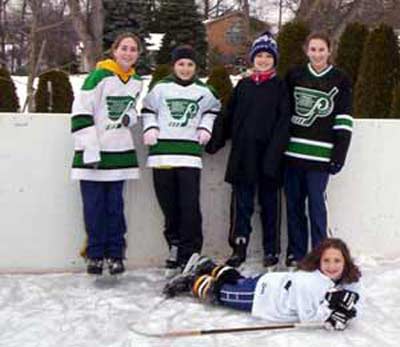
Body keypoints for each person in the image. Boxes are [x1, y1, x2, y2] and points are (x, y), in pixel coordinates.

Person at [211, 32, 290, 269]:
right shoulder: (243, 86)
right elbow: (228, 116)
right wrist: (214, 140)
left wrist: (275, 154)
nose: (263, 60)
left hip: (269, 158)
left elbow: (284, 122)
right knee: (241, 205)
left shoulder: (280, 87)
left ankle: (271, 250)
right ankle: (239, 246)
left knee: (270, 206)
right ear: (252, 58)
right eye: (260, 55)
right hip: (243, 156)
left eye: (268, 56)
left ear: (274, 60)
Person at [141, 45, 221, 277]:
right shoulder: (161, 88)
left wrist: (206, 127)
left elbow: (214, 109)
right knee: (169, 205)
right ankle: (175, 247)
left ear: (196, 67)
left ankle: (191, 253)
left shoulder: (204, 91)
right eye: (181, 64)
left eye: (190, 64)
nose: (185, 69)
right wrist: (151, 127)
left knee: (190, 207)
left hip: (188, 157)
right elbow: (147, 109)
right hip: (162, 155)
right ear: (173, 65)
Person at [163, 238, 361, 331]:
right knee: (221, 293)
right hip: (261, 296)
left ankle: (209, 266)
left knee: (237, 280)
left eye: (337, 261)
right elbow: (308, 318)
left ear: (346, 262)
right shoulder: (311, 283)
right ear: (318, 261)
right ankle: (192, 281)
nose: (332, 266)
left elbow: (346, 296)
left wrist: (343, 307)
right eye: (327, 261)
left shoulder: (331, 279)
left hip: (268, 283)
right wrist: (330, 313)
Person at [71, 33, 143, 275]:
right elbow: (81, 111)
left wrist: (130, 117)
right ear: (114, 51)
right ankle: (94, 255)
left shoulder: (136, 81)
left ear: (138, 54)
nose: (128, 53)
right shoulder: (99, 76)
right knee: (93, 207)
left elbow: (132, 109)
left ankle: (115, 254)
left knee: (115, 207)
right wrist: (90, 149)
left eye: (133, 49)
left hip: (119, 153)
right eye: (124, 48)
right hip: (94, 155)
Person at [284, 32, 353, 267]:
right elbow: (283, 113)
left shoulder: (340, 79)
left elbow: (343, 118)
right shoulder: (294, 75)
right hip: (292, 155)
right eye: (313, 49)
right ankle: (297, 253)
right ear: (306, 50)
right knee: (293, 205)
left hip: (320, 156)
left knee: (316, 205)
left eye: (321, 49)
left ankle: (319, 254)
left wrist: (339, 154)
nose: (317, 54)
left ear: (329, 51)